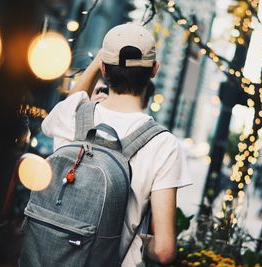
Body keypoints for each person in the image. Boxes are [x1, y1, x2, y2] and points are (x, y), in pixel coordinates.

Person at [41, 23, 192, 266]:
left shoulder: (73, 115)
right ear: (154, 69)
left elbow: (73, 100)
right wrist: (135, 241)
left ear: (103, 68)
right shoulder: (164, 144)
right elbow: (165, 251)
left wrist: (101, 58)